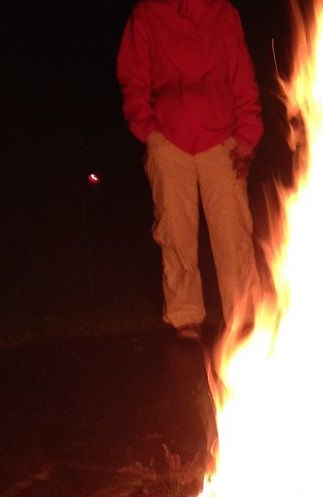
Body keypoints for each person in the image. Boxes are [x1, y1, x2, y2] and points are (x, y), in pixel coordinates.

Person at [117, 0, 263, 341]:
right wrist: (148, 129)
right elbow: (133, 74)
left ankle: (242, 318)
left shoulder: (222, 12)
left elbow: (241, 73)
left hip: (222, 138)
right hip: (169, 139)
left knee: (234, 231)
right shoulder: (148, 13)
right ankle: (185, 316)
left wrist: (246, 135)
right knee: (175, 230)